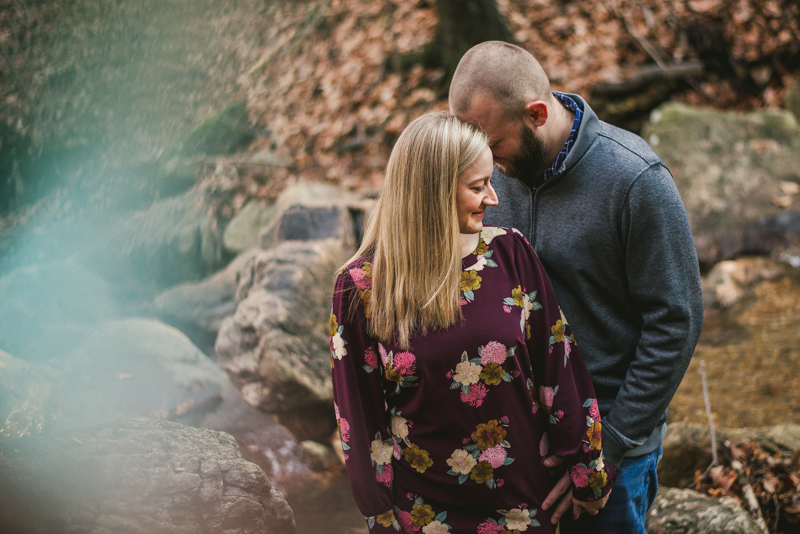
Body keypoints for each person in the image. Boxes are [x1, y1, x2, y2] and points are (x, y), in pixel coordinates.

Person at [449, 41, 704, 533]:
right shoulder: (484, 175)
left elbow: (676, 322)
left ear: (537, 114)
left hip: (614, 445)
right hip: (514, 442)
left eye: (494, 145)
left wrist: (608, 444)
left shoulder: (635, 179)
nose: (485, 167)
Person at [329, 111, 615, 534]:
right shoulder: (359, 287)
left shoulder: (510, 253)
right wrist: (379, 514)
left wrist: (588, 474)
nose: (493, 198)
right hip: (424, 515)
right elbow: (359, 417)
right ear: (433, 192)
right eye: (478, 186)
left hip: (525, 505)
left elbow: (559, 366)